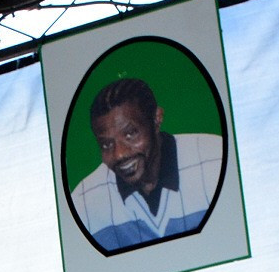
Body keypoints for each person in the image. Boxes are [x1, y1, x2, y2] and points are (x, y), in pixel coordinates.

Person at [69, 77, 224, 252]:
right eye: (106, 144)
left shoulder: (215, 160)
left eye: (130, 133)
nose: (119, 154)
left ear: (156, 119)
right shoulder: (84, 203)